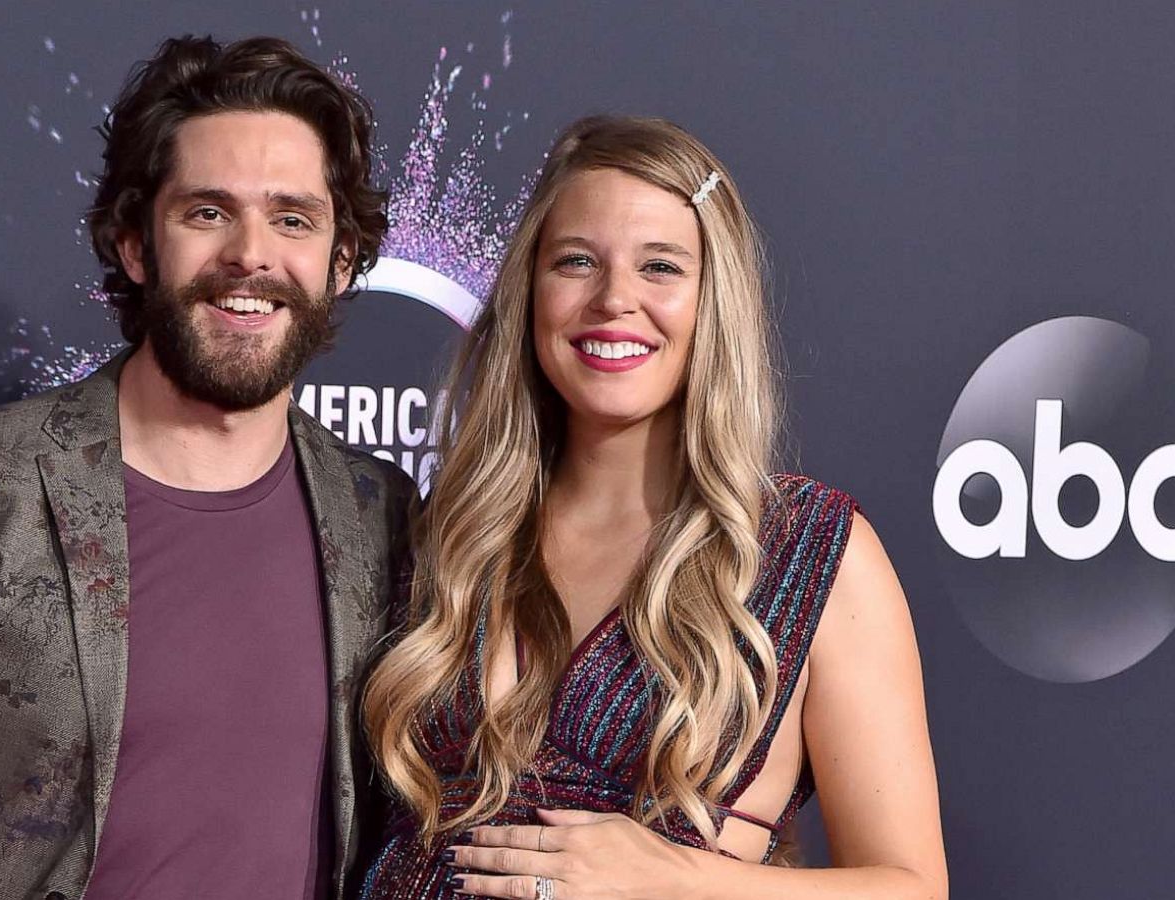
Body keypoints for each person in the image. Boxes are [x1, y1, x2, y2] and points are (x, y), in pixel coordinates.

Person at [0, 35, 415, 900]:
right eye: (208, 212)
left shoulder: (383, 512)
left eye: (292, 218)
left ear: (338, 264)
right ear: (136, 244)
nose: (251, 254)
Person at [358, 116, 946, 900]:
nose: (614, 300)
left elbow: (913, 889)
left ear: (714, 300)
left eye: (660, 266)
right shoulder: (450, 532)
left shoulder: (806, 549)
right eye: (576, 262)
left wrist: (669, 874)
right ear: (530, 290)